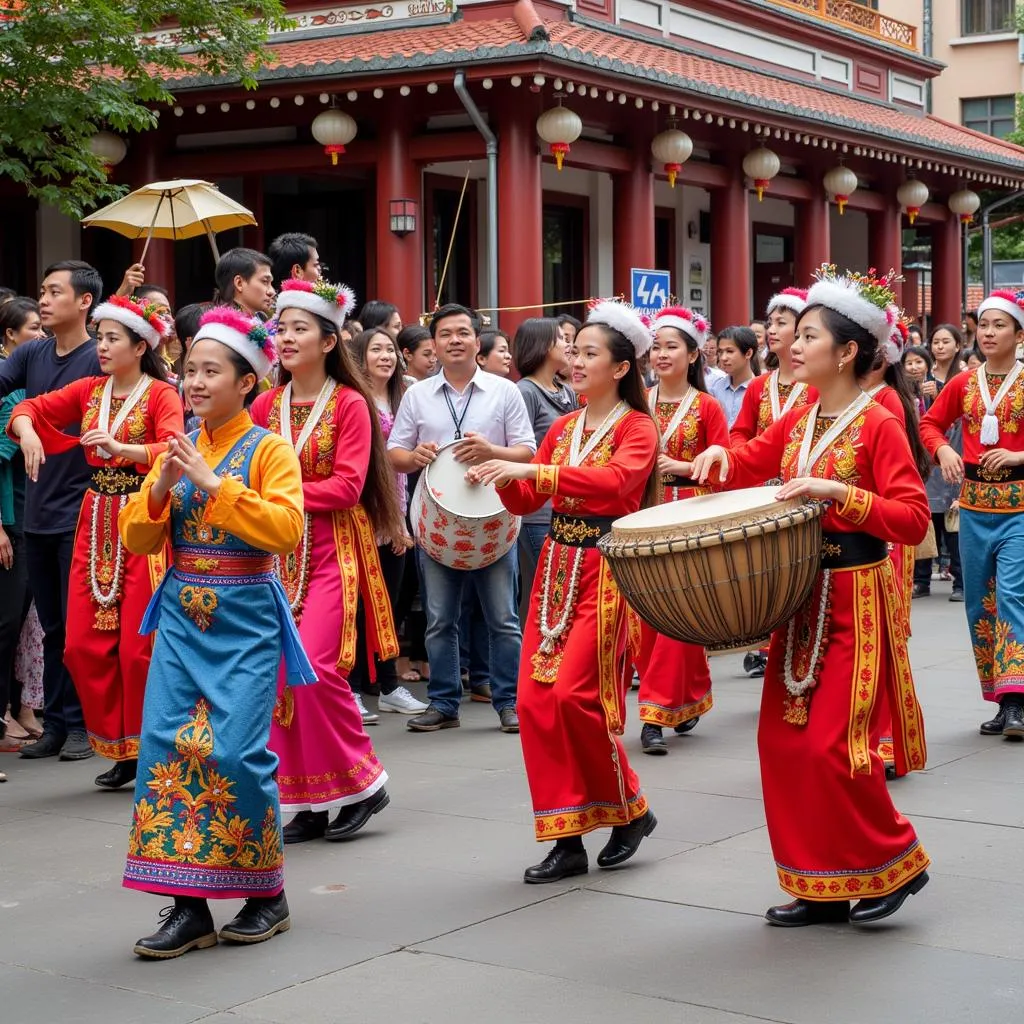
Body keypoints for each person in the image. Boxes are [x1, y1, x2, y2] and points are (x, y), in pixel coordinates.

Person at [692, 266, 931, 927]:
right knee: (782, 742)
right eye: (791, 337)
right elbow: (749, 462)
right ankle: (819, 881)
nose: (792, 347)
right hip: (800, 596)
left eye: (808, 337)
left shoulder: (878, 422)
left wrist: (840, 496)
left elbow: (911, 518)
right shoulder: (798, 416)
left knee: (836, 746)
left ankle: (898, 857)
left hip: (855, 597)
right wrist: (713, 461)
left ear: (848, 351)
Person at [118, 307, 313, 959]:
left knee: (234, 753)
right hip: (180, 615)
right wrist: (160, 489)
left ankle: (266, 893)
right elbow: (137, 538)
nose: (194, 381)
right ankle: (189, 905)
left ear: (246, 382)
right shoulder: (178, 446)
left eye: (210, 370)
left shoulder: (269, 449)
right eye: (189, 369)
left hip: (247, 614)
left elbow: (287, 531)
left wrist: (212, 485)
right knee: (169, 752)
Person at [470, 300, 660, 882]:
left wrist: (532, 472)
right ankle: (567, 834)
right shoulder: (562, 427)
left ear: (621, 367)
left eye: (588, 353)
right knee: (533, 702)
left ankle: (626, 808)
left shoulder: (638, 427)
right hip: (555, 566)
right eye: (573, 352)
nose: (575, 362)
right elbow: (530, 502)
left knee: (575, 697)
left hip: (606, 569)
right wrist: (492, 478)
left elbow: (617, 485)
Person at [252, 281, 407, 844]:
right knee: (280, 679)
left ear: (327, 339)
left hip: (332, 549)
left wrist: (275, 495)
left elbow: (346, 488)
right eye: (281, 328)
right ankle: (310, 799)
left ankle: (364, 783)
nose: (287, 338)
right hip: (274, 552)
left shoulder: (350, 403)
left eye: (299, 329)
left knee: (316, 670)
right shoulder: (265, 404)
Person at [8, 296, 183, 788]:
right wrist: (27, 433)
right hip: (94, 518)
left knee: (136, 649)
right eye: (100, 337)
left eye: (111, 338)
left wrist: (123, 448)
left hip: (142, 518)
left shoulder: (162, 394)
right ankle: (117, 742)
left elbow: (172, 450)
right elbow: (28, 407)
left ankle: (148, 747)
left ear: (139, 344)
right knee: (82, 646)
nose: (101, 346)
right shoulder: (89, 390)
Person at [387, 303, 535, 733]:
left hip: (493, 520)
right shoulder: (416, 395)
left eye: (462, 333)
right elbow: (395, 454)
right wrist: (413, 457)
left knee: (503, 620)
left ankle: (508, 702)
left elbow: (527, 449)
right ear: (433, 344)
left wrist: (492, 451)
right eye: (445, 334)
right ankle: (444, 703)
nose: (454, 340)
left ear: (477, 340)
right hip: (437, 524)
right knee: (439, 619)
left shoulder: (504, 391)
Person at [0, 262, 103, 760]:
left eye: (54, 291)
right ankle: (57, 726)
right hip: (36, 512)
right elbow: (7, 394)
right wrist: (22, 425)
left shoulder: (98, 359)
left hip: (83, 510)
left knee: (81, 628)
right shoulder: (33, 352)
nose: (43, 299)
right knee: (54, 626)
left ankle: (84, 725)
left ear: (84, 301)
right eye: (41, 291)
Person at [920, 289, 1024, 740]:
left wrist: (1018, 456)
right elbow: (928, 424)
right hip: (975, 508)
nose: (988, 333)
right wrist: (943, 450)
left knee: (1012, 598)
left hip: (1020, 506)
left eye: (999, 325)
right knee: (979, 606)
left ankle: (1018, 700)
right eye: (983, 325)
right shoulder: (963, 383)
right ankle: (1003, 700)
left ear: (1019, 333)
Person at [635, 307, 730, 755]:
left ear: (694, 354)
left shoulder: (707, 406)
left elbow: (726, 466)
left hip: (689, 515)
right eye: (656, 346)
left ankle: (653, 715)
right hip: (645, 514)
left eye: (672, 346)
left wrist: (687, 468)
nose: (662, 354)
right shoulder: (639, 400)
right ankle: (685, 694)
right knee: (646, 617)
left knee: (678, 613)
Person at [344, 325, 429, 717]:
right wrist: (387, 518)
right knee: (359, 606)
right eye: (376, 349)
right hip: (363, 509)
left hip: (399, 507)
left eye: (390, 349)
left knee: (388, 604)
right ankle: (355, 688)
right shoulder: (354, 399)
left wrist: (401, 520)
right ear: (360, 356)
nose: (386, 356)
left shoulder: (405, 396)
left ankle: (389, 683)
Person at [0, 298, 46, 743]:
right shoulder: (13, 393)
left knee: (24, 623)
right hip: (11, 521)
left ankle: (21, 707)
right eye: (33, 327)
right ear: (11, 337)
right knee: (7, 622)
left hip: (29, 518)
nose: (41, 334)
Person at [513, 318, 576, 624]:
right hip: (538, 509)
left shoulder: (566, 390)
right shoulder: (525, 392)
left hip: (566, 504)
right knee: (551, 589)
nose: (568, 345)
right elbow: (520, 449)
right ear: (542, 346)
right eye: (561, 339)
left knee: (565, 590)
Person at [733, 290, 813, 444]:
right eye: (770, 323)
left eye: (781, 323)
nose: (770, 330)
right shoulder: (758, 385)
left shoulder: (817, 385)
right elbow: (739, 432)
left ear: (801, 330)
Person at [708, 325, 760, 428]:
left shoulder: (761, 390)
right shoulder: (715, 388)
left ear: (748, 353)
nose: (723, 358)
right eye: (720, 352)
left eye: (730, 351)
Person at [214, 248, 275, 318]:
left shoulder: (260, 324)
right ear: (239, 283)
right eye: (265, 281)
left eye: (270, 283)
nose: (272, 292)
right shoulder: (220, 327)